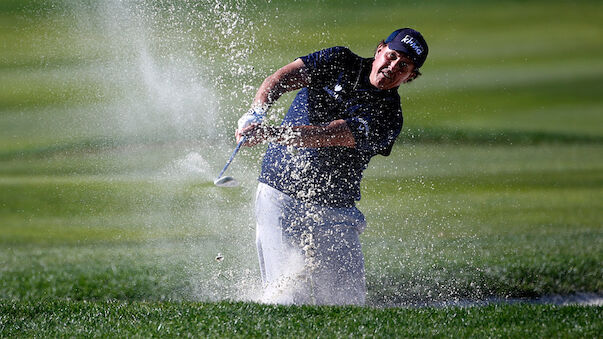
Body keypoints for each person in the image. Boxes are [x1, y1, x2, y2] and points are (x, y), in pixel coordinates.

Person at [235, 28, 428, 305]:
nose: (393, 66)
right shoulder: (339, 59)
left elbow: (329, 135)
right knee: (287, 299)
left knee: (346, 306)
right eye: (392, 56)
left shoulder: (388, 116)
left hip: (335, 211)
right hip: (281, 196)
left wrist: (269, 133)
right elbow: (282, 77)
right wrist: (255, 112)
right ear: (379, 50)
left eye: (404, 65)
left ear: (410, 76)